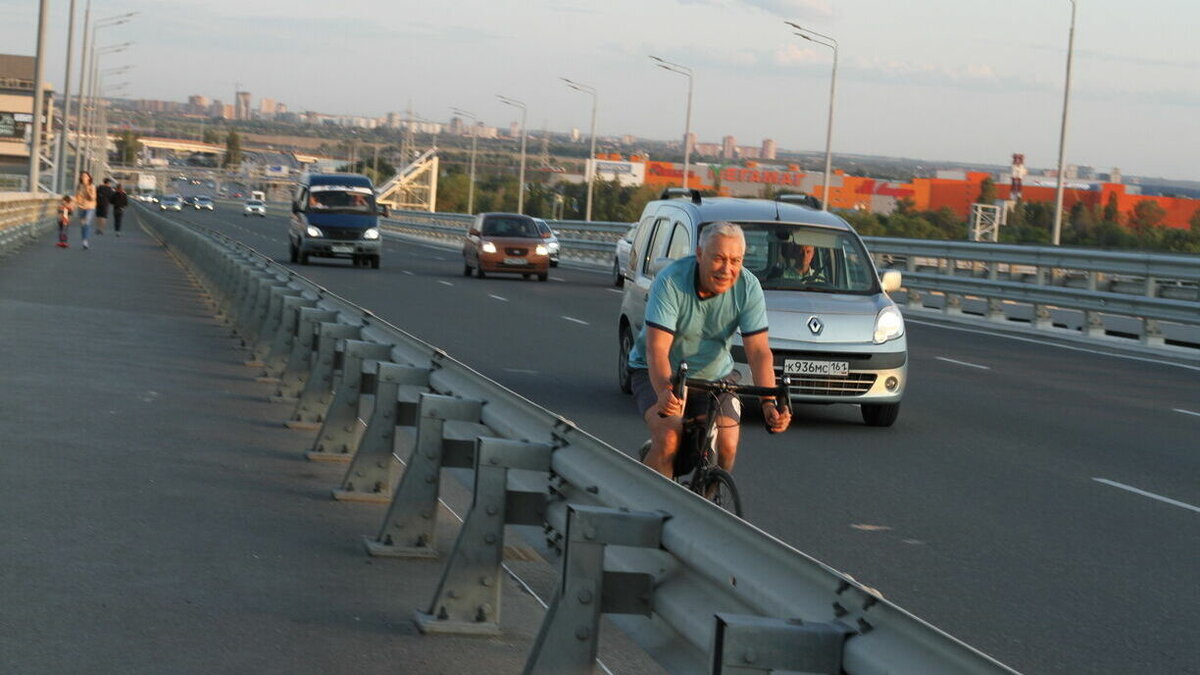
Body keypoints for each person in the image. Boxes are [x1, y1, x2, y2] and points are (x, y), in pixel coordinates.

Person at [626, 222, 791, 478]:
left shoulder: (748, 287)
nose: (727, 269)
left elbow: (758, 351)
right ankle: (658, 508)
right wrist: (664, 391)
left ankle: (709, 500)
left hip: (715, 376)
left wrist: (769, 403)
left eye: (735, 260)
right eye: (719, 258)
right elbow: (657, 349)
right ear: (700, 254)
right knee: (669, 438)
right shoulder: (671, 281)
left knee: (727, 445)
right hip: (659, 372)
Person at [74, 171, 97, 250]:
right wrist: (74, 205)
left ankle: (85, 241)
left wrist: (87, 189)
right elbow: (76, 196)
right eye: (82, 176)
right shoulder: (79, 186)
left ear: (89, 178)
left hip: (90, 207)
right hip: (81, 207)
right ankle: (84, 239)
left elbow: (92, 198)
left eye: (85, 176)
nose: (83, 177)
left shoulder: (92, 186)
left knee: (87, 223)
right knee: (83, 225)